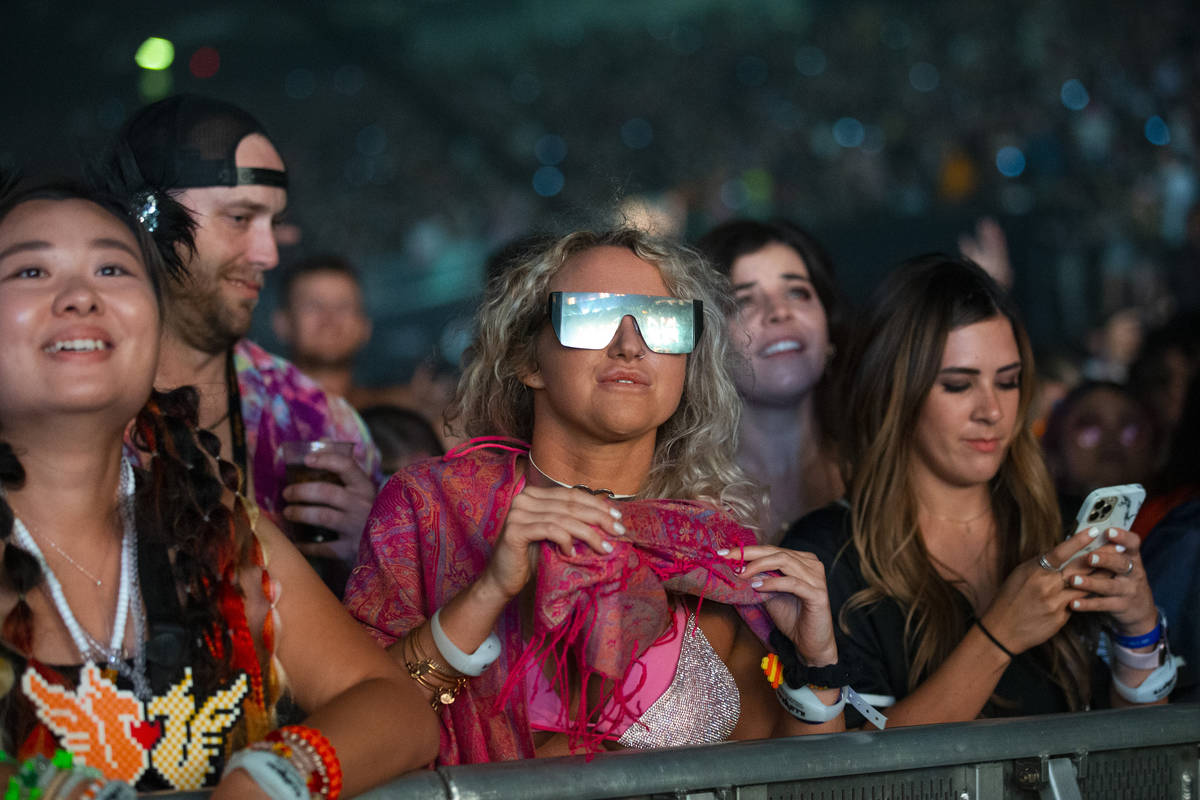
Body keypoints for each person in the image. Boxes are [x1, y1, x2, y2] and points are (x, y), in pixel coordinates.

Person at [344, 229, 850, 765]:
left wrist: (816, 665)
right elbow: (352, 734)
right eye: (590, 316)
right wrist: (488, 593)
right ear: (527, 361)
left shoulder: (712, 553)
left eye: (661, 321)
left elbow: (789, 775)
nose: (631, 345)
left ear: (686, 365)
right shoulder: (428, 507)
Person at [0, 181, 437, 796]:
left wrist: (272, 774)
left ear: (154, 322)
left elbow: (398, 710)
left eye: (111, 267)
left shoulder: (214, 524)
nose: (79, 296)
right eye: (31, 270)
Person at [784, 254, 1175, 728]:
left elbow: (1138, 759)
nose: (991, 410)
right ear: (894, 391)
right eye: (957, 385)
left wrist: (1138, 635)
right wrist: (999, 636)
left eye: (1008, 382)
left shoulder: (1065, 528)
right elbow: (848, 777)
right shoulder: (828, 555)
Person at [106, 94, 382, 584]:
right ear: (149, 216)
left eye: (273, 223)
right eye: (240, 218)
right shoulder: (69, 399)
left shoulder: (316, 420)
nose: (268, 253)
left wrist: (379, 547)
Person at [697, 219, 845, 541]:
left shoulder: (878, 476)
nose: (779, 311)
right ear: (707, 343)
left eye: (797, 292)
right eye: (744, 301)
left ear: (829, 328)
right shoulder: (679, 504)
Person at [1040, 381, 1159, 536]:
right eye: (1090, 428)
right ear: (1056, 447)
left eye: (1129, 429)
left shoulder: (1171, 526)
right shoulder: (1033, 531)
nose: (1111, 440)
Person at [272, 254, 373, 404]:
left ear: (364, 326)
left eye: (343, 307)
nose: (329, 319)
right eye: (313, 306)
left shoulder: (396, 413)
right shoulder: (251, 414)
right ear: (283, 324)